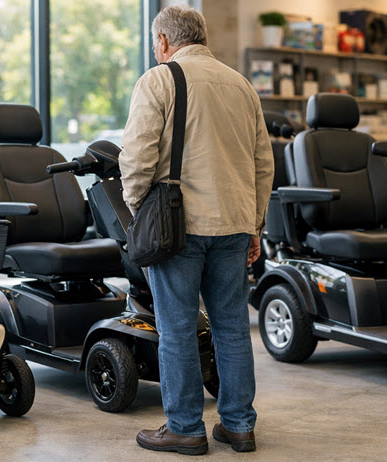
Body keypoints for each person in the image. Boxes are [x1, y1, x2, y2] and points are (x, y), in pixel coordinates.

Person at [120, 5, 274, 456]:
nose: (155, 51)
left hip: (179, 227)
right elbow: (262, 162)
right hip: (234, 223)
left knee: (178, 329)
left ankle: (186, 428)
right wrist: (255, 225)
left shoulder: (159, 79)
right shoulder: (242, 86)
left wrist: (137, 213)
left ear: (165, 41)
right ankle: (239, 426)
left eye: (155, 44)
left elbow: (136, 157)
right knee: (231, 328)